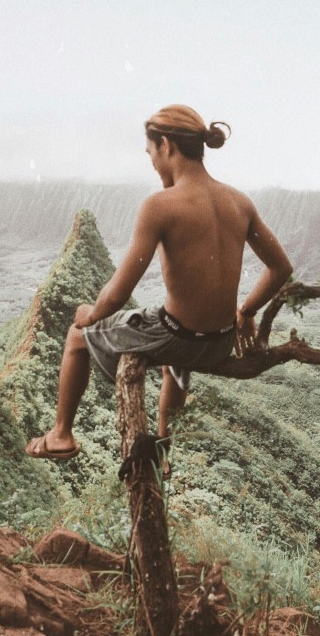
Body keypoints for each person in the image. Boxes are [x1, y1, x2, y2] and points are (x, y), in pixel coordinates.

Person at [25, 104, 293, 460]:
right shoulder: (239, 202)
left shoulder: (160, 205)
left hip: (177, 337)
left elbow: (118, 293)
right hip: (219, 342)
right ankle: (163, 447)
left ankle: (61, 435)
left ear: (166, 146)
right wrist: (245, 311)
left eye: (151, 153)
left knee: (77, 334)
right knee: (174, 349)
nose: (152, 163)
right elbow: (281, 268)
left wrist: (89, 316)